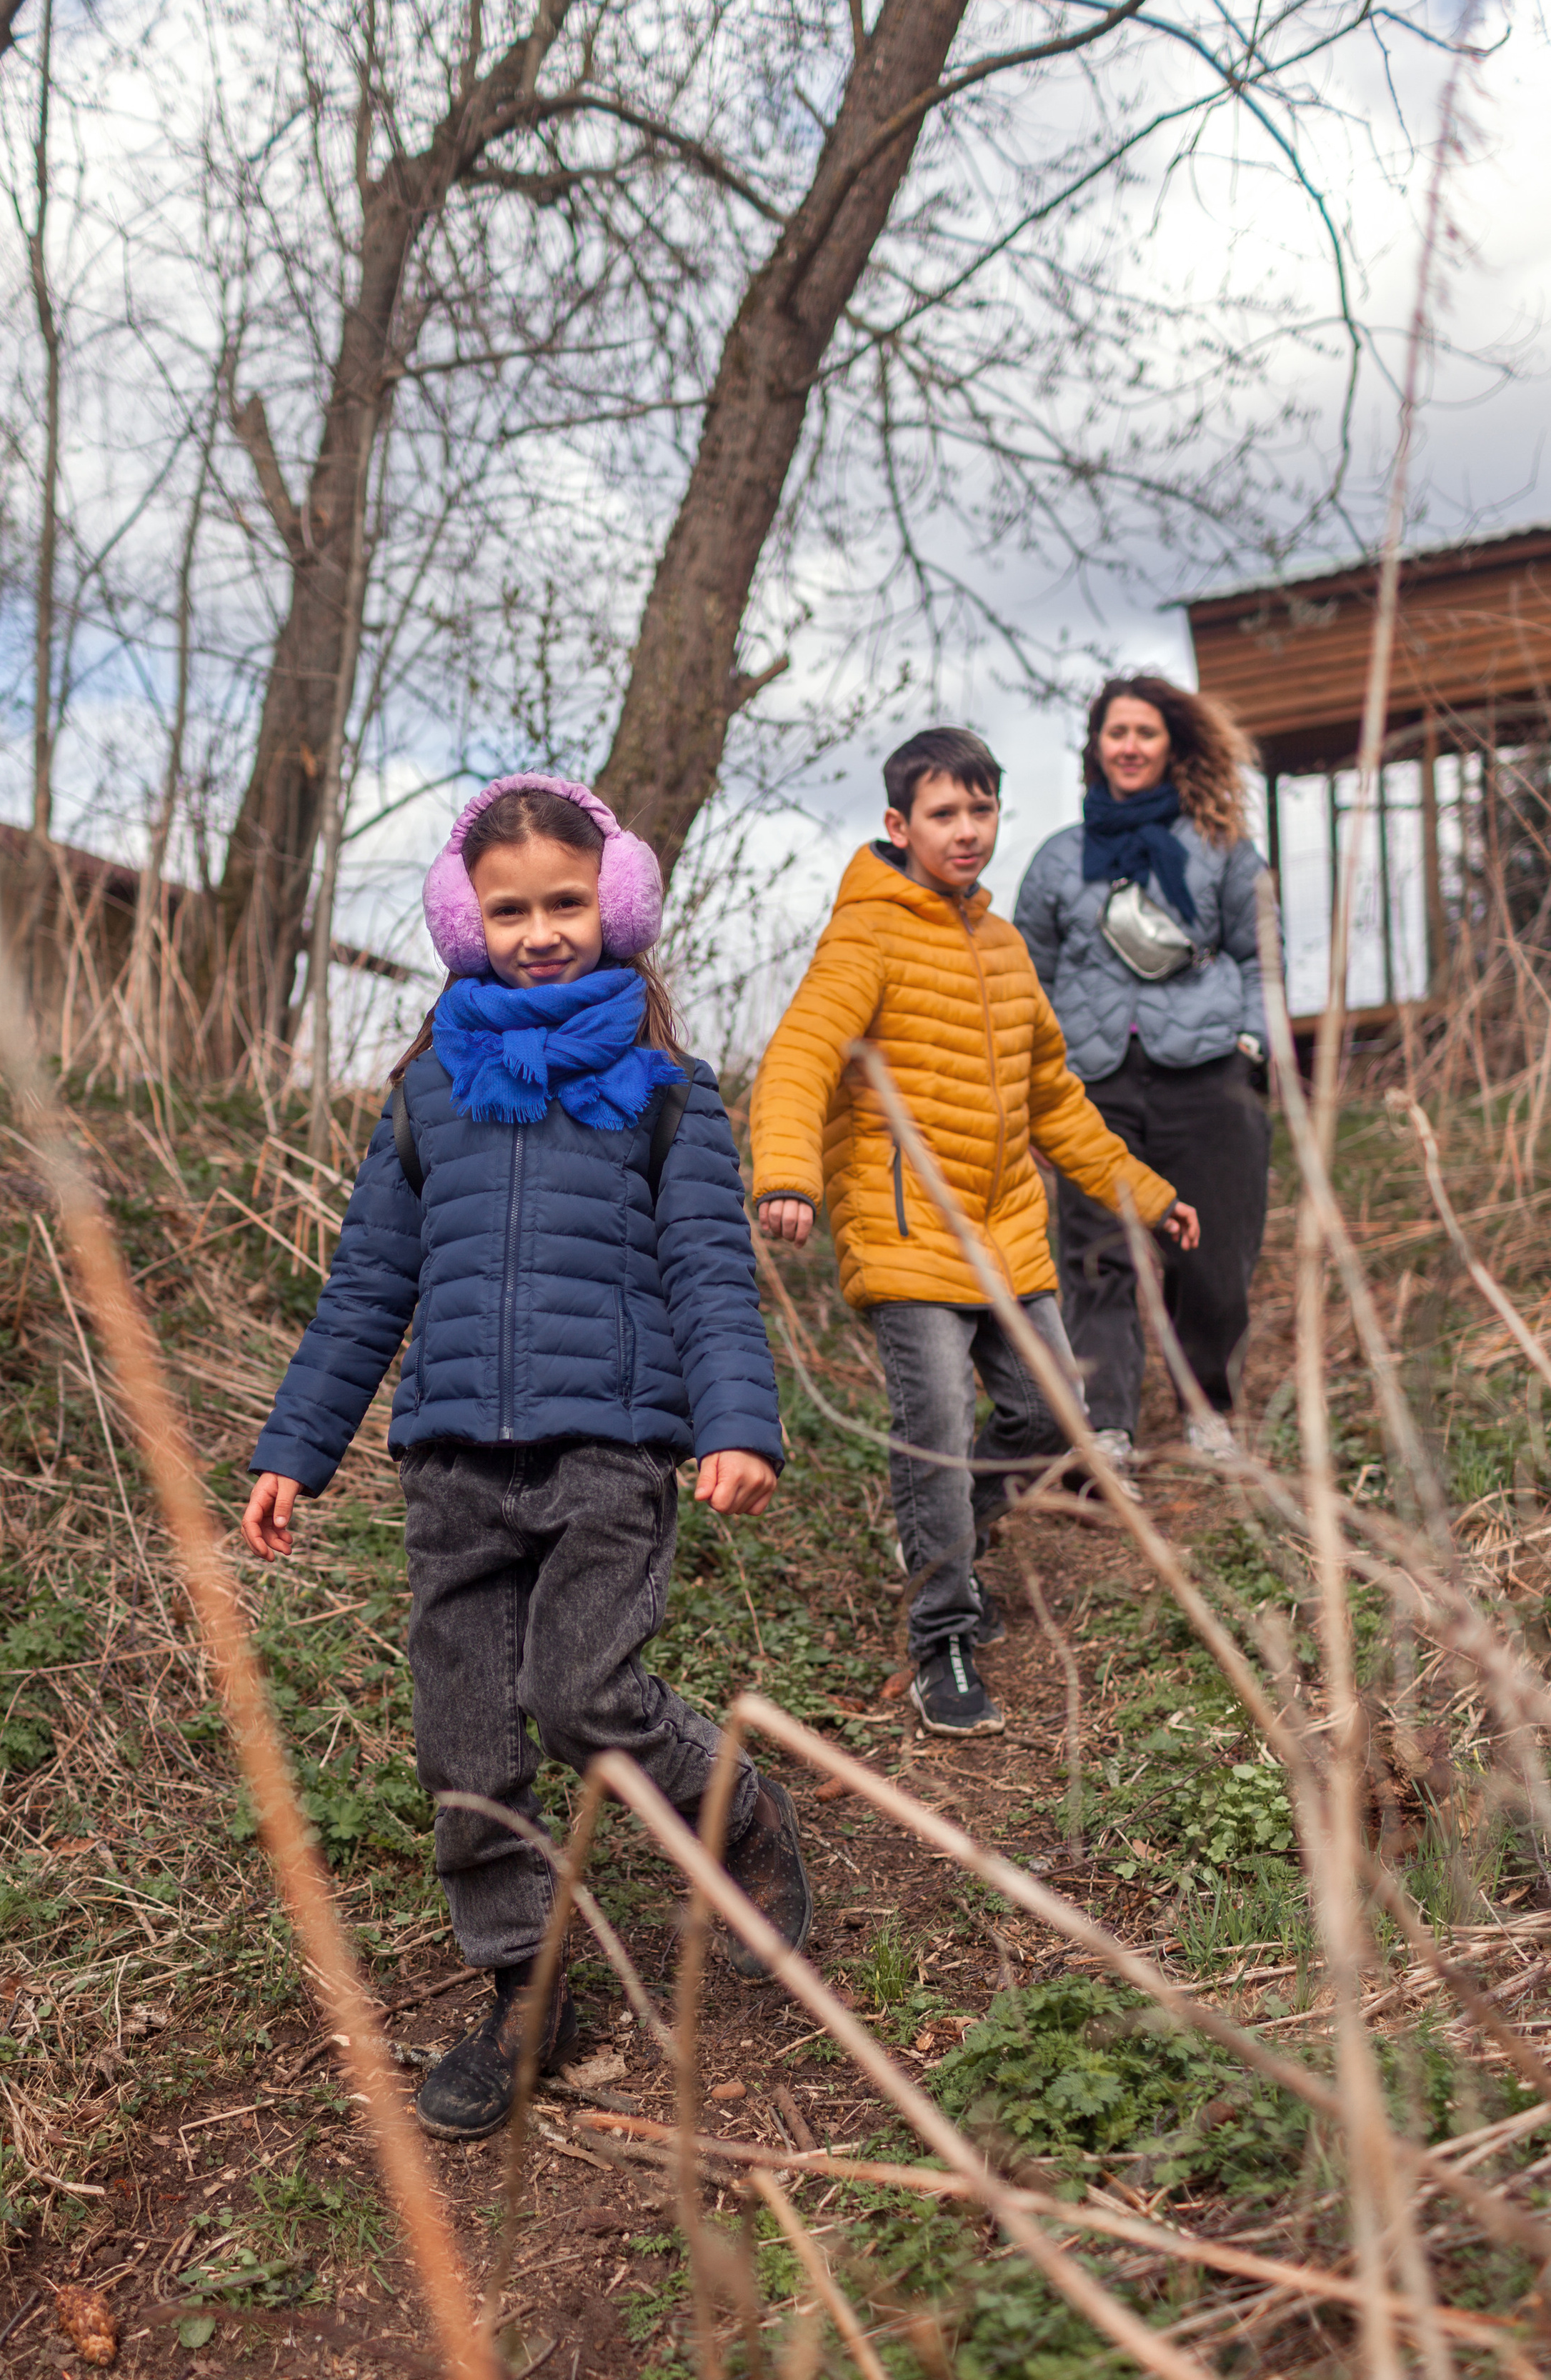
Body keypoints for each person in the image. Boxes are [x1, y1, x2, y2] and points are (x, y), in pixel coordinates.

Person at [241, 774, 811, 2143]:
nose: (543, 930)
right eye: (512, 910)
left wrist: (736, 1420)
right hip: (450, 1465)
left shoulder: (669, 1093)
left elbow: (708, 1273)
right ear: (464, 919)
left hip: (610, 1451)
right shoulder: (432, 1094)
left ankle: (736, 1817)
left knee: (581, 1698)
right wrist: (296, 1447)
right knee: (465, 1741)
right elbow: (367, 1285)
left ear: (617, 906)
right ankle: (525, 1986)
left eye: (567, 903)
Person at [749, 726, 1198, 1738]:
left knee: (1048, 1418)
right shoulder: (865, 937)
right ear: (899, 825)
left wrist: (1143, 1191)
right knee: (940, 1434)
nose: (967, 830)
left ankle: (941, 1532)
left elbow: (1056, 1098)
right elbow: (797, 1058)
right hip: (907, 1236)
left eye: (981, 810)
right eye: (944, 813)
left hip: (1006, 1232)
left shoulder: (1000, 946)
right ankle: (942, 1631)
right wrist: (786, 1176)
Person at [1012, 673, 1275, 1466]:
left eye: (1145, 733)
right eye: (1115, 732)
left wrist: (1253, 1047)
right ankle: (1110, 1427)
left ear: (1172, 746)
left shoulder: (1223, 846)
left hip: (1207, 1072)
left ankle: (1208, 1408)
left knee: (1216, 1256)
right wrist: (1032, 1079)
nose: (1128, 746)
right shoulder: (1059, 860)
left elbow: (1261, 955)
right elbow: (1028, 973)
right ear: (1096, 747)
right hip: (1090, 1084)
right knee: (1098, 1257)